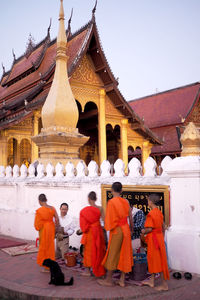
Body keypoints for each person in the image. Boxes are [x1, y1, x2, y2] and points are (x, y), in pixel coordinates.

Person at [98, 182, 133, 287]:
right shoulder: (126, 202)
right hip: (126, 229)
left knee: (113, 254)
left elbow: (109, 221)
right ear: (121, 191)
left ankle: (108, 280)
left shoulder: (111, 202)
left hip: (117, 230)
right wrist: (131, 229)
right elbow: (130, 217)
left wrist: (106, 228)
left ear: (112, 190)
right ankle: (122, 280)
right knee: (125, 253)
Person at [141, 193, 169, 291]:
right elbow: (163, 227)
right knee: (153, 260)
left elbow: (149, 229)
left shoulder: (151, 214)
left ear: (151, 202)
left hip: (154, 239)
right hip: (159, 238)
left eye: (148, 200)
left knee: (158, 261)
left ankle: (164, 285)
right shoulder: (159, 212)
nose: (147, 202)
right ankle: (152, 281)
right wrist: (162, 238)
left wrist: (143, 231)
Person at [79, 191, 106, 277]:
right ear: (96, 199)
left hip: (89, 232)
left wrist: (84, 229)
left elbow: (83, 225)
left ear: (88, 199)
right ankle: (98, 269)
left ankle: (87, 271)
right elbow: (104, 221)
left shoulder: (85, 210)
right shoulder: (100, 208)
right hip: (98, 231)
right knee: (98, 250)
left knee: (87, 251)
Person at [34, 194, 59, 272]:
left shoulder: (39, 211)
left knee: (45, 247)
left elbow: (37, 225)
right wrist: (56, 228)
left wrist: (39, 227)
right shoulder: (52, 208)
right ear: (46, 199)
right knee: (50, 247)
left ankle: (47, 267)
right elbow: (57, 219)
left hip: (44, 229)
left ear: (39, 201)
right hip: (51, 228)